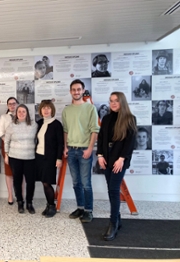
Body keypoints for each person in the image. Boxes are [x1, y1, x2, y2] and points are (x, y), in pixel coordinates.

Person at [97, 91, 137, 241]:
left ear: (122, 102)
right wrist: (100, 155)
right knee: (111, 189)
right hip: (107, 159)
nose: (113, 103)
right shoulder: (106, 118)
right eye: (111, 101)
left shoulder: (130, 119)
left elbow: (130, 143)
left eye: (116, 100)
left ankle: (113, 223)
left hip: (119, 160)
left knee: (114, 189)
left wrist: (122, 159)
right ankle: (118, 219)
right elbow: (101, 138)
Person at [62, 79, 100, 223]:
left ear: (83, 91)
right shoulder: (67, 110)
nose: (76, 92)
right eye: (74, 89)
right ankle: (80, 207)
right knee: (76, 182)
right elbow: (65, 130)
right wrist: (65, 147)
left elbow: (94, 130)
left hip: (85, 150)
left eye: (79, 89)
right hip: (71, 150)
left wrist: (90, 148)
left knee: (86, 182)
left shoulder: (90, 108)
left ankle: (88, 210)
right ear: (70, 92)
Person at [4, 104, 38, 214]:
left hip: (30, 158)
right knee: (17, 181)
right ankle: (20, 202)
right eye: (19, 112)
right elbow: (6, 141)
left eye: (24, 111)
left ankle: (29, 203)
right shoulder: (11, 125)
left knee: (31, 181)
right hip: (15, 157)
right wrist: (6, 154)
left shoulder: (34, 125)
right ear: (16, 114)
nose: (21, 113)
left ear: (27, 113)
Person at [36, 100, 63, 218]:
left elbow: (60, 143)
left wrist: (59, 158)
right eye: (43, 108)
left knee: (47, 182)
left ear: (52, 110)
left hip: (50, 158)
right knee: (43, 182)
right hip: (39, 157)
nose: (46, 110)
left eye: (48, 108)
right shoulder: (39, 122)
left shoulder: (57, 124)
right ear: (40, 110)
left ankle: (52, 206)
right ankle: (48, 204)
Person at [0, 97, 19, 205]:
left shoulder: (22, 115)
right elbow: (1, 132)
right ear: (7, 106)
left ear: (17, 104)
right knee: (9, 172)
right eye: (10, 104)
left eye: (14, 103)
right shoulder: (4, 117)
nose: (12, 105)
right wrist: (7, 143)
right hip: (7, 145)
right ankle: (10, 195)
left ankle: (21, 195)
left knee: (21, 172)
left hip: (21, 147)